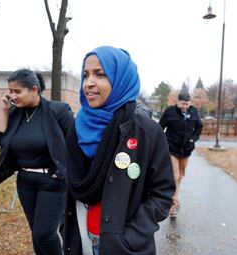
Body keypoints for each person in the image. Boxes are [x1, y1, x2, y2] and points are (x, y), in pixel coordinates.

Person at [61, 46, 175, 255]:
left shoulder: (146, 131)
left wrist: (131, 237)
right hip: (78, 242)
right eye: (86, 75)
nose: (89, 83)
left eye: (100, 74)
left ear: (121, 79)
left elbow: (162, 193)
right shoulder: (77, 127)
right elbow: (68, 181)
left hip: (124, 248)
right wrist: (63, 225)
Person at [0, 68, 74, 255]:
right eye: (11, 91)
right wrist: (5, 109)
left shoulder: (58, 111)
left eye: (18, 91)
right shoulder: (14, 113)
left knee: (45, 234)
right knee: (36, 234)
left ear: (34, 90)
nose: (13, 96)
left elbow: (74, 145)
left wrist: (64, 172)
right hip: (25, 181)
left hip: (52, 181)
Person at [159, 91, 203, 218]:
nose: (185, 106)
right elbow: (160, 128)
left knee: (180, 175)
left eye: (187, 104)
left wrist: (192, 139)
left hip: (186, 150)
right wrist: (162, 143)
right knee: (175, 176)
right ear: (177, 102)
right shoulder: (169, 112)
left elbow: (199, 127)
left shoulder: (194, 112)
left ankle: (174, 194)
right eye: (183, 103)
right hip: (171, 148)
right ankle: (173, 204)